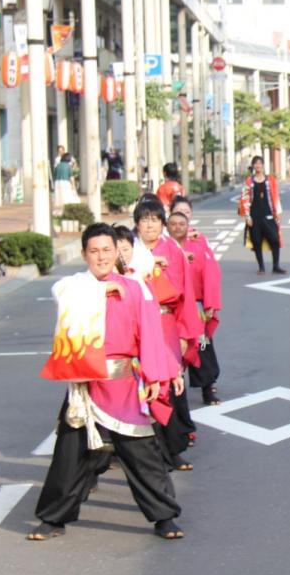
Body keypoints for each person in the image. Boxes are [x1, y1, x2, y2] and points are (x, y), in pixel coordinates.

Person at [28, 223, 184, 541]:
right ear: (84, 254)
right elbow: (61, 293)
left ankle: (164, 517)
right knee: (69, 456)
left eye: (107, 250)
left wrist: (158, 375)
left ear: (117, 252)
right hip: (85, 387)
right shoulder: (75, 287)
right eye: (94, 251)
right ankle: (53, 518)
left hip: (123, 385)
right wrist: (101, 291)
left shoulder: (135, 287)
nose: (101, 257)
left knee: (143, 455)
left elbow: (151, 334)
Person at [134, 199, 204, 469]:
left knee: (169, 387)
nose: (149, 225)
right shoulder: (130, 252)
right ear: (137, 224)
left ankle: (173, 448)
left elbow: (185, 293)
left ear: (162, 224)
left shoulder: (172, 251)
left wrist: (187, 332)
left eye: (154, 220)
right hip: (138, 326)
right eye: (144, 220)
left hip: (166, 324)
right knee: (138, 389)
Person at [170, 198, 224, 405]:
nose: (182, 217)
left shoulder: (199, 240)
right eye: (178, 213)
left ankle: (207, 388)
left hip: (196, 306)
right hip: (171, 308)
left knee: (202, 345)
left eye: (186, 213)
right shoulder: (162, 244)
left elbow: (211, 274)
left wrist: (210, 303)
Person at [239, 156, 286, 275]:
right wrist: (247, 216)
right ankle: (261, 267)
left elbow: (276, 195)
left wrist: (278, 212)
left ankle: (276, 266)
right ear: (253, 166)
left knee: (275, 239)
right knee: (256, 241)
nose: (258, 165)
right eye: (255, 163)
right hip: (254, 216)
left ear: (263, 165)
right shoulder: (249, 181)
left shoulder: (270, 179)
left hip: (269, 214)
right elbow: (244, 199)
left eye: (260, 163)